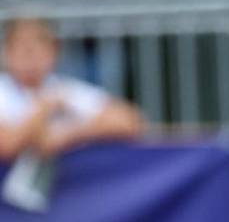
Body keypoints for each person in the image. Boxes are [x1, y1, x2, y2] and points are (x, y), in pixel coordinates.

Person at [0, 19, 142, 209]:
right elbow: (7, 145)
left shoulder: (64, 90)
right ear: (7, 51)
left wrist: (69, 134)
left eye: (38, 48)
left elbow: (129, 120)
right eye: (24, 49)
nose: (30, 58)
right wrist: (42, 112)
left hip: (69, 207)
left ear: (54, 51)